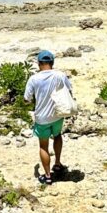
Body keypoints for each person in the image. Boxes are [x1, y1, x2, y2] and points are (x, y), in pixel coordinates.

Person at [23, 50, 74, 186]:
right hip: (58, 114)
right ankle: (57, 163)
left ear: (39, 63)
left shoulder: (34, 79)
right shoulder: (60, 75)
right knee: (57, 136)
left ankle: (47, 176)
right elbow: (69, 90)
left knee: (43, 146)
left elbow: (26, 99)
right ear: (52, 62)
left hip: (42, 118)